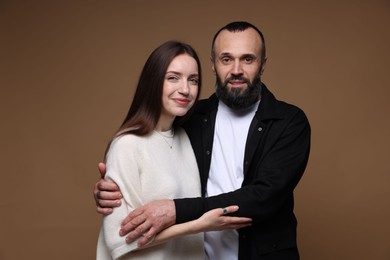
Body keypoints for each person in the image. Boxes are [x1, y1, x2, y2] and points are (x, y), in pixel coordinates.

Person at [94, 21, 311, 260]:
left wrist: (175, 211)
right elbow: (151, 153)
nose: (236, 69)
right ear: (213, 64)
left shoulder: (289, 121)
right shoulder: (190, 117)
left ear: (263, 65)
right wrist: (115, 186)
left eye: (247, 59)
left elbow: (264, 196)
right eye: (226, 59)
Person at [96, 40, 251, 260]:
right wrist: (200, 225)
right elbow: (119, 239)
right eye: (173, 78)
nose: (185, 90)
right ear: (153, 82)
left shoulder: (185, 137)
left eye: (193, 80)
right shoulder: (128, 144)